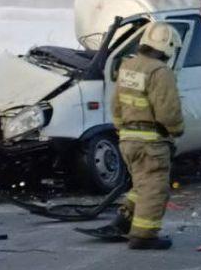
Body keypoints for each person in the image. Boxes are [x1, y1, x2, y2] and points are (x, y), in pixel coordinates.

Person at [79, 22, 184, 250]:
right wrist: (176, 129)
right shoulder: (160, 71)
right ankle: (144, 235)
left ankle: (123, 221)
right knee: (154, 188)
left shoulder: (128, 67)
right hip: (151, 142)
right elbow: (168, 110)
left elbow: (116, 104)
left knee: (142, 184)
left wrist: (122, 129)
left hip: (128, 140)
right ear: (168, 46)